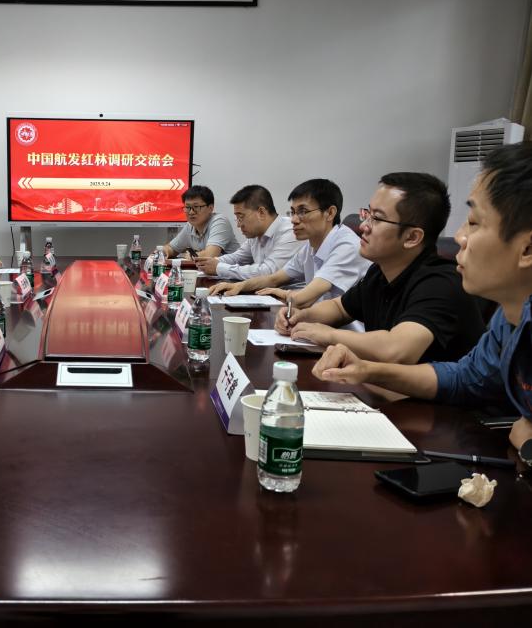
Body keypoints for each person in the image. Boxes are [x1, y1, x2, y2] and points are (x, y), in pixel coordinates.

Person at [312, 142, 532, 453]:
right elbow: (465, 377)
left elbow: (399, 349)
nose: (459, 237)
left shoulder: (440, 280)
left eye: (474, 222)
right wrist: (368, 370)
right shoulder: (509, 316)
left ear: (527, 249)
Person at [274, 173, 484, 364]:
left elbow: (397, 349)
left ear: (412, 237)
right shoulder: (380, 271)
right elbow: (340, 308)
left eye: (376, 218)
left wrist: (328, 334)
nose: (363, 226)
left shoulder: (440, 282)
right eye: (367, 213)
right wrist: (301, 317)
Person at [210, 178, 370, 309]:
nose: (293, 220)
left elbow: (304, 299)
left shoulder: (346, 245)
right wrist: (240, 286)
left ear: (330, 213)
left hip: (345, 335)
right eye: (293, 212)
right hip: (318, 325)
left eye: (303, 211)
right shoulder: (310, 246)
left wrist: (285, 294)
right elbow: (275, 278)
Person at [195, 184, 301, 280]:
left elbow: (268, 272)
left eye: (241, 217)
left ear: (261, 212)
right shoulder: (256, 234)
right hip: (265, 291)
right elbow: (237, 257)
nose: (238, 225)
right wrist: (210, 263)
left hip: (291, 293)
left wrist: (219, 268)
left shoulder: (290, 231)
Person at [163, 185, 239, 259]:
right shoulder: (190, 226)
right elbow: (171, 248)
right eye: (187, 207)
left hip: (232, 267)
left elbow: (210, 255)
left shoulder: (220, 221)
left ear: (210, 208)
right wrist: (166, 251)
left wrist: (192, 256)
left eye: (196, 207)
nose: (191, 212)